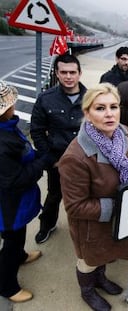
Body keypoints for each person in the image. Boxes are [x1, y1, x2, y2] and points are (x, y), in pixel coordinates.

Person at [59, 83, 128, 311]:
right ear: (87, 113)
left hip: (117, 219)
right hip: (91, 226)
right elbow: (74, 206)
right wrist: (118, 205)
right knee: (88, 261)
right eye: (100, 108)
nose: (109, 114)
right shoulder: (75, 157)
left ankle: (101, 278)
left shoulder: (124, 132)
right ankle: (87, 290)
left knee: (107, 253)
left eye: (113, 106)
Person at [0, 81, 54, 303]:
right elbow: (16, 180)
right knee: (12, 240)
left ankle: (20, 255)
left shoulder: (7, 128)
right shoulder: (2, 143)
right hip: (8, 204)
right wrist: (42, 161)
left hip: (13, 201)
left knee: (17, 235)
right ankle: (7, 286)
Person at [30, 54, 87, 244]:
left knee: (85, 198)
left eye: (72, 72)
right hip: (57, 160)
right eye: (64, 72)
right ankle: (47, 225)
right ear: (57, 73)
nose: (68, 76)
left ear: (80, 73)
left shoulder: (92, 99)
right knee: (54, 196)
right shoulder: (45, 99)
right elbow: (37, 131)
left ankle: (84, 231)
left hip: (85, 161)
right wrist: (49, 158)